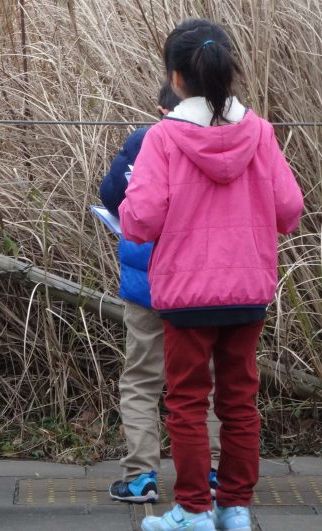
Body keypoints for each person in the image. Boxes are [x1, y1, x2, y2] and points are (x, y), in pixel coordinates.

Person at [119, 19, 304, 531]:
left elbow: (141, 219)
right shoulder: (261, 133)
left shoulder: (163, 138)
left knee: (186, 402)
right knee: (240, 401)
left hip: (185, 295)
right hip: (248, 291)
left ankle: (194, 511)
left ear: (176, 77)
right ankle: (236, 509)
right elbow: (290, 211)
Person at [101, 83, 221, 505]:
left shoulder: (144, 141)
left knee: (140, 379)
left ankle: (140, 476)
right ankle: (208, 472)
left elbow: (111, 195)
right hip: (196, 287)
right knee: (198, 379)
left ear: (160, 108)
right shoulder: (219, 143)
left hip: (145, 284)